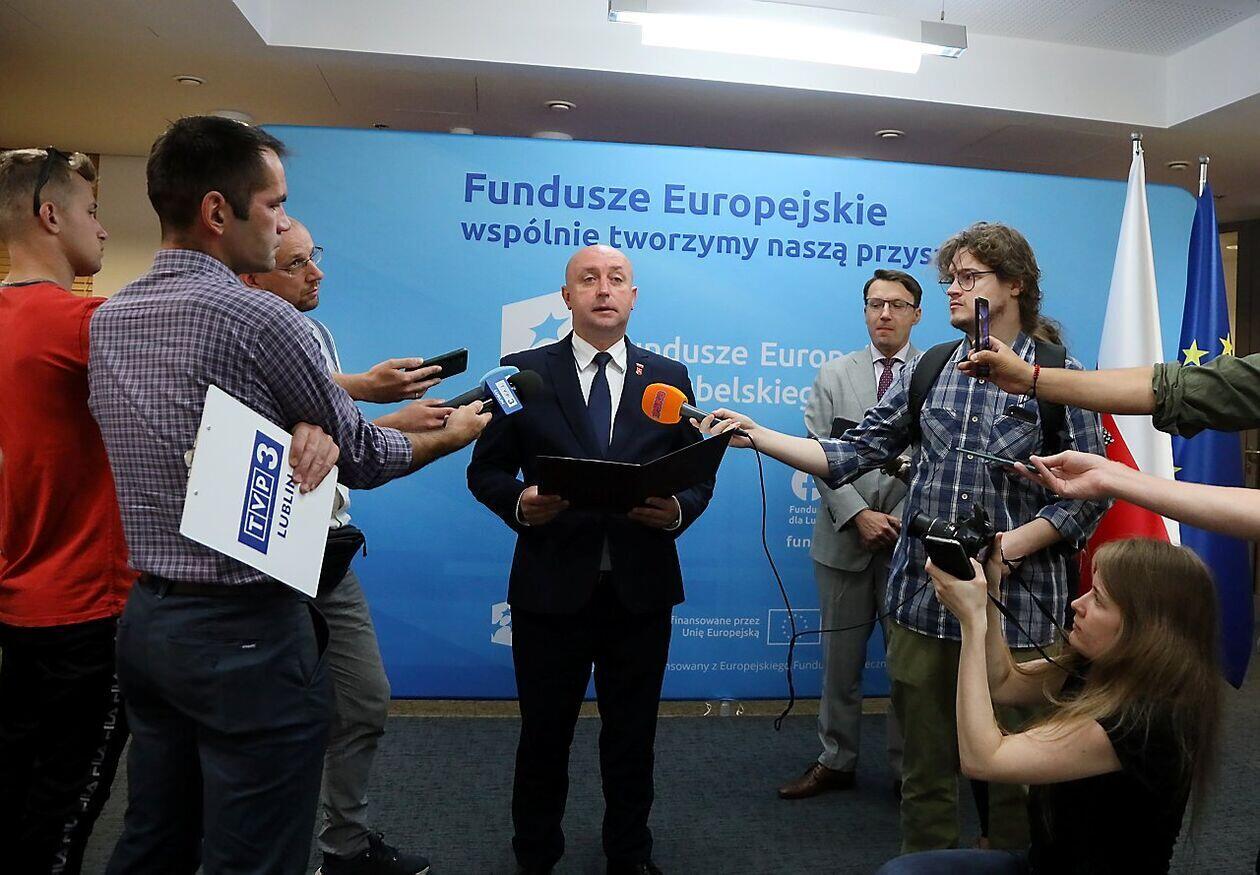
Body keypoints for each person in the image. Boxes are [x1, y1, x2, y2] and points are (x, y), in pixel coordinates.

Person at [88, 116, 489, 875]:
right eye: (273, 205)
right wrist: (454, 434)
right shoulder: (261, 317)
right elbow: (363, 455)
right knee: (255, 854)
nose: (281, 225)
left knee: (153, 839)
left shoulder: (110, 320)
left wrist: (305, 421)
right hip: (246, 628)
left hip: (149, 622)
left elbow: (197, 425)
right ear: (217, 211)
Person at [695, 222, 1110, 853]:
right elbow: (851, 452)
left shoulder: (1058, 376)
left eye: (968, 278)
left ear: (1015, 285)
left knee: (1018, 779)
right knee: (924, 773)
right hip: (925, 602)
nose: (953, 290)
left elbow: (1092, 493)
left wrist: (1012, 547)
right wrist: (758, 435)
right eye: (950, 279)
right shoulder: (933, 367)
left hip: (1019, 613)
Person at [466, 244, 716, 875]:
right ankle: (535, 855)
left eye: (616, 279)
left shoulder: (669, 377)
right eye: (588, 280)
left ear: (633, 296)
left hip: (641, 590)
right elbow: (485, 469)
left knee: (633, 736)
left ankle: (629, 855)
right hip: (551, 589)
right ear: (566, 297)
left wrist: (678, 510)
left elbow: (698, 472)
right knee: (544, 735)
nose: (603, 289)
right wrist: (519, 504)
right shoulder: (522, 373)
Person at [241, 218, 448, 875]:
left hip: (326, 549)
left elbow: (335, 440)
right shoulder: (238, 332)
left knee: (364, 699)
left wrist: (381, 414)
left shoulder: (315, 332)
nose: (317, 272)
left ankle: (344, 848)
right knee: (267, 724)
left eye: (314, 256)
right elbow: (267, 436)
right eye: (297, 263)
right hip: (261, 558)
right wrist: (371, 398)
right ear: (252, 275)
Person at [874, 535, 1222, 874]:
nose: (1078, 604)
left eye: (1099, 600)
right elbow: (1003, 681)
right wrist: (991, 592)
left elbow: (983, 759)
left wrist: (972, 622)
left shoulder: (1144, 721)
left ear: (1145, 628)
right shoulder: (1096, 667)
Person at [0, 147, 132, 874]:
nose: (103, 229)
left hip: (19, 607)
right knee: (64, 810)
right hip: (86, 610)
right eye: (92, 211)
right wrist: (356, 389)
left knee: (17, 790)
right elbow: (222, 372)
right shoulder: (83, 323)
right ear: (50, 216)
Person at [778, 269, 920, 801]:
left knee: (910, 667)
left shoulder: (938, 373)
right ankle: (836, 759)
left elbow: (941, 458)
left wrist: (901, 518)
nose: (885, 314)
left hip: (911, 544)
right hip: (843, 541)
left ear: (916, 314)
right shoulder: (834, 374)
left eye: (897, 305)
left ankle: (910, 771)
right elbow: (817, 455)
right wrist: (859, 514)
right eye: (875, 304)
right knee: (840, 665)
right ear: (864, 311)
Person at [961, 335, 1260, 438]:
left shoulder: (1064, 363)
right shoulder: (939, 362)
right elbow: (1174, 388)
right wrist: (1028, 377)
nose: (953, 290)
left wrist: (1118, 481)